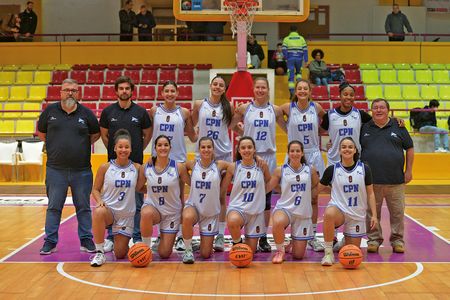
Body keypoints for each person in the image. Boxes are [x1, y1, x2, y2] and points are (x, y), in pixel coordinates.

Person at [37, 79, 100, 254]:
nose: (70, 93)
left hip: (82, 170)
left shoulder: (86, 114)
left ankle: (86, 240)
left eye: (74, 90)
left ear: (78, 93)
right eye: (67, 90)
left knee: (84, 207)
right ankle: (50, 241)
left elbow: (95, 135)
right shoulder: (49, 112)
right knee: (54, 207)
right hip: (56, 170)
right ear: (61, 92)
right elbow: (42, 133)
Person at [230, 77, 287, 252]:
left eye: (264, 88)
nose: (260, 90)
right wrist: (244, 133)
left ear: (268, 90)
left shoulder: (275, 110)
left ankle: (262, 236)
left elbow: (288, 129)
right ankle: (243, 227)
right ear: (253, 90)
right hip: (249, 155)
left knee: (266, 199)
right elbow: (232, 125)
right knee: (248, 193)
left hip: (268, 156)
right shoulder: (244, 108)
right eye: (258, 88)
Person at [99, 76, 152, 251]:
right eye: (120, 88)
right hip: (114, 166)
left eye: (127, 88)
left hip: (134, 164)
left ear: (131, 91)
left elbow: (147, 134)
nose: (124, 91)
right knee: (111, 202)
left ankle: (136, 236)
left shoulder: (141, 112)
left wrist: (135, 150)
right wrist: (118, 154)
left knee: (136, 202)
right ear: (116, 91)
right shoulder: (108, 112)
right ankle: (111, 238)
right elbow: (105, 136)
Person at [361, 99, 414, 254]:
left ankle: (397, 240)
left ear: (388, 110)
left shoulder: (399, 126)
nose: (378, 110)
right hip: (371, 182)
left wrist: (408, 171)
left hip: (395, 181)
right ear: (371, 111)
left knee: (397, 213)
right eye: (375, 108)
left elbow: (410, 149)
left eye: (382, 108)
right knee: (372, 214)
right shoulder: (364, 128)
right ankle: (373, 240)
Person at [149, 81, 197, 251]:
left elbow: (192, 136)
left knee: (178, 199)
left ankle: (179, 236)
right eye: (166, 91)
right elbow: (149, 134)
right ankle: (161, 234)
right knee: (159, 199)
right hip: (158, 160)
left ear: (177, 93)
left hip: (178, 159)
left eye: (172, 91)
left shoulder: (184, 112)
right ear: (162, 93)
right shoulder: (154, 111)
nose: (170, 94)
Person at [280, 79, 326, 252]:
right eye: (299, 88)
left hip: (313, 153)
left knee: (314, 197)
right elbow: (277, 117)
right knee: (291, 196)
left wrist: (322, 135)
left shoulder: (317, 108)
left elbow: (326, 123)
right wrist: (287, 131)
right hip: (294, 154)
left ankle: (312, 235)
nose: (302, 91)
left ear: (310, 91)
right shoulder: (286, 108)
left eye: (305, 88)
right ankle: (293, 235)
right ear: (296, 91)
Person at [319, 137, 378, 266]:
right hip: (339, 211)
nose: (347, 149)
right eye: (344, 147)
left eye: (350, 147)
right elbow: (317, 189)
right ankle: (328, 254)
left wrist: (374, 215)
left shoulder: (364, 169)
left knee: (353, 253)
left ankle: (345, 240)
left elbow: (370, 193)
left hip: (356, 215)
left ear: (355, 150)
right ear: (339, 151)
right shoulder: (332, 170)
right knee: (329, 213)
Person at [191, 76, 233, 251]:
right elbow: (191, 123)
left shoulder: (228, 107)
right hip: (204, 153)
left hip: (223, 153)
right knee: (199, 193)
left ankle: (220, 235)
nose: (217, 87)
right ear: (210, 86)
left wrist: (242, 129)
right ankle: (199, 233)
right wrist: (194, 137)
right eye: (215, 84)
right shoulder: (199, 104)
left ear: (224, 89)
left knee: (221, 196)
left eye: (221, 85)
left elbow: (230, 126)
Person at [90, 129, 140, 267]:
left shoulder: (137, 168)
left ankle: (117, 242)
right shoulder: (105, 167)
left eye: (126, 147)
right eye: (120, 147)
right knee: (99, 211)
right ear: (115, 148)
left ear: (130, 149)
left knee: (120, 254)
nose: (123, 150)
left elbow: (143, 187)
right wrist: (100, 201)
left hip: (126, 216)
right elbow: (95, 189)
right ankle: (99, 252)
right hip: (109, 211)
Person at [137, 135, 191, 259]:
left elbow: (193, 184)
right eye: (159, 145)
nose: (163, 148)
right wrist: (152, 190)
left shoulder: (178, 167)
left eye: (166, 145)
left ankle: (162, 238)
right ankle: (145, 250)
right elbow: (138, 187)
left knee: (164, 253)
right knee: (146, 213)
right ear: (155, 148)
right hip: (154, 209)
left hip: (172, 213)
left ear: (170, 148)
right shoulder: (146, 167)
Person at [267, 141, 319, 263]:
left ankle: (292, 243)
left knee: (298, 255)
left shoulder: (310, 170)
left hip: (302, 213)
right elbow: (270, 187)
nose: (295, 153)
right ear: (288, 153)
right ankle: (280, 251)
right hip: (285, 209)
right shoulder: (281, 170)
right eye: (292, 151)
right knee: (278, 222)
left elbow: (317, 185)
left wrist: (309, 195)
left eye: (297, 151)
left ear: (302, 153)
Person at [181, 137, 230, 263]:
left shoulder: (220, 165)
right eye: (203, 147)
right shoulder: (193, 164)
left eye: (209, 147)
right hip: (194, 207)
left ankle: (201, 244)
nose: (206, 150)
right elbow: (181, 168)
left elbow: (234, 168)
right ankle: (187, 250)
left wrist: (223, 185)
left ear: (213, 149)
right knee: (186, 216)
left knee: (205, 254)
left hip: (210, 213)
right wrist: (190, 182)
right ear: (199, 149)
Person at [221, 137, 271, 253]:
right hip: (238, 209)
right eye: (243, 148)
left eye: (249, 147)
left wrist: (262, 196)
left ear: (254, 150)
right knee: (233, 221)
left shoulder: (262, 166)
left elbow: (270, 183)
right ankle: (237, 243)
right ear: (238, 150)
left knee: (250, 251)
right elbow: (223, 188)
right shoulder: (234, 166)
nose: (246, 150)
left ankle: (249, 240)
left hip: (255, 212)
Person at [321, 82, 372, 167]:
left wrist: (394, 119)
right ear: (340, 96)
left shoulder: (360, 114)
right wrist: (327, 144)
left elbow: (378, 122)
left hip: (355, 160)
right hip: (334, 161)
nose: (348, 97)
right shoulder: (329, 115)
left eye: (351, 95)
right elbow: (318, 131)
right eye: (345, 94)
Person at [282, 25, 308, 96]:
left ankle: (292, 93)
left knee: (291, 77)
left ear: (290, 31)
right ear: (297, 30)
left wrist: (287, 57)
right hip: (299, 59)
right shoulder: (301, 38)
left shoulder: (286, 39)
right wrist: (306, 60)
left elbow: (284, 49)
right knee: (299, 73)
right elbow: (305, 50)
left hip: (290, 59)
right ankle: (299, 90)